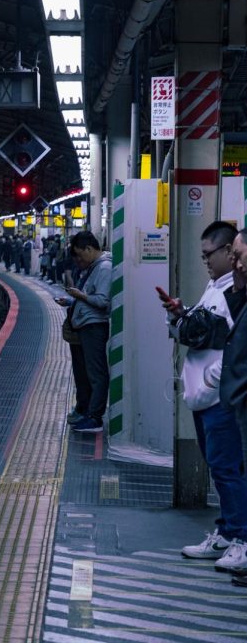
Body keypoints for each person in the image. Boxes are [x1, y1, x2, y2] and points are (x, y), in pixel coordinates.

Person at [157, 222, 247, 569]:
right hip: (206, 396)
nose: (206, 261)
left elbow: (203, 334)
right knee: (219, 467)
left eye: (211, 254)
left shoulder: (232, 292)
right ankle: (227, 533)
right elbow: (198, 329)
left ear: (229, 251)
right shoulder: (216, 286)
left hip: (219, 397)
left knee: (227, 469)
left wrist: (184, 324)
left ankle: (240, 537)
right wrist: (182, 316)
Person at [62, 231, 113, 432]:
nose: (79, 261)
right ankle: (88, 412)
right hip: (86, 326)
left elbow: (102, 301)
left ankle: (94, 417)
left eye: (80, 255)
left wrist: (79, 295)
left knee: (96, 373)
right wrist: (72, 300)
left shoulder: (104, 268)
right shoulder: (95, 268)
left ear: (89, 249)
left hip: (94, 326)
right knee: (86, 372)